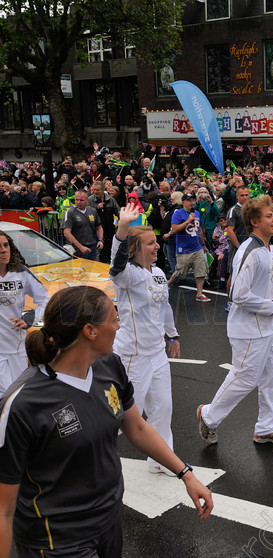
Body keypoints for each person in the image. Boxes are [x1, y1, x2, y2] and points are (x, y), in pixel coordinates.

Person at [0, 286, 212, 558]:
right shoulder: (21, 404)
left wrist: (186, 474)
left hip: (109, 523)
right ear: (90, 331)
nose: (120, 326)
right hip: (57, 540)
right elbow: (4, 510)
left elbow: (136, 427)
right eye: (114, 319)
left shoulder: (109, 365)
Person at [197, 196, 273, 446]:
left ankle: (266, 428)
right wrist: (271, 307)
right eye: (269, 216)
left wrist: (272, 309)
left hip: (269, 326)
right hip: (248, 328)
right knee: (245, 378)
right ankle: (208, 416)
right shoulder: (248, 251)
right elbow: (237, 294)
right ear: (254, 221)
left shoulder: (271, 249)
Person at [110, 206, 181, 475]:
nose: (157, 247)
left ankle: (162, 460)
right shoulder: (127, 275)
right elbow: (115, 266)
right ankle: (91, 457)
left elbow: (164, 307)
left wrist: (172, 334)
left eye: (156, 242)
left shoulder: (159, 274)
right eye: (150, 243)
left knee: (163, 409)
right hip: (132, 357)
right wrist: (122, 230)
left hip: (157, 355)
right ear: (135, 248)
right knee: (124, 417)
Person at [0, 232, 48, 394]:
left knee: (20, 393)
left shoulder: (22, 273)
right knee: (4, 393)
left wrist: (29, 318)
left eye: (5, 245)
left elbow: (45, 300)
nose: (3, 250)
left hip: (17, 346)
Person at [167, 193, 211, 302]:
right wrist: (187, 221)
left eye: (192, 200)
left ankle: (199, 294)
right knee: (180, 272)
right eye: (189, 200)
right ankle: (168, 283)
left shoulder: (196, 213)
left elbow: (199, 229)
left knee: (201, 269)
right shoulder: (178, 214)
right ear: (183, 203)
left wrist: (203, 244)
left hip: (197, 247)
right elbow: (174, 229)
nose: (192, 202)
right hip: (184, 248)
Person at [62, 190, 104, 261]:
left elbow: (99, 227)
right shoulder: (70, 212)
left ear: (87, 200)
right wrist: (80, 247)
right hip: (77, 250)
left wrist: (100, 240)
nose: (78, 202)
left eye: (81, 200)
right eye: (77, 200)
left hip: (93, 248)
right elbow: (66, 233)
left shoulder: (92, 211)